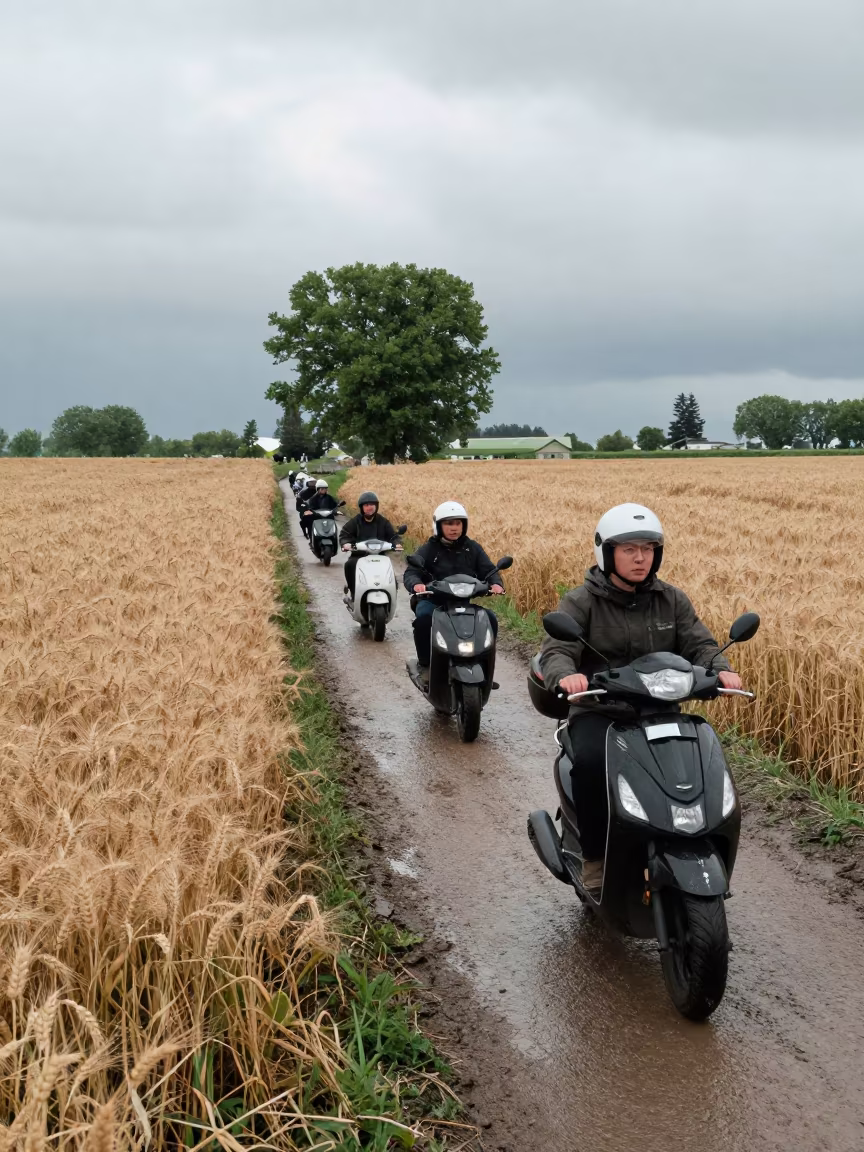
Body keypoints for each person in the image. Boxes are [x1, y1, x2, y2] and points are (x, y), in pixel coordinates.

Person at [539, 503, 742, 891]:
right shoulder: (581, 601)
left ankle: (701, 846)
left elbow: (700, 643)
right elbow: (557, 649)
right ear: (606, 552)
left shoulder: (671, 599)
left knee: (701, 764)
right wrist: (567, 677)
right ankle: (596, 858)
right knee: (591, 765)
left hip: (660, 708)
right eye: (629, 549)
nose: (640, 557)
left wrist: (720, 669)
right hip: (601, 709)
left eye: (648, 549)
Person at [403, 501, 505, 681]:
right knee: (424, 619)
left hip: (463, 602)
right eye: (449, 523)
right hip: (434, 601)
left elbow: (488, 570)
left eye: (458, 523)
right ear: (438, 525)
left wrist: (495, 583)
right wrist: (416, 584)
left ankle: (483, 663)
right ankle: (426, 665)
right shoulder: (429, 548)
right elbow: (412, 572)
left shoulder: (471, 547)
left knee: (490, 619)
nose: (454, 528)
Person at [339, 491, 403, 599]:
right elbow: (345, 534)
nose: (370, 507)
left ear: (376, 506)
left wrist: (397, 543)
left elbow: (393, 536)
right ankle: (354, 593)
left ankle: (391, 597)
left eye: (372, 504)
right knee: (349, 565)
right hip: (359, 557)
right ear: (362, 507)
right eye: (366, 505)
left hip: (380, 556)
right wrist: (346, 543)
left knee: (390, 572)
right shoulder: (355, 522)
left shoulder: (383, 522)